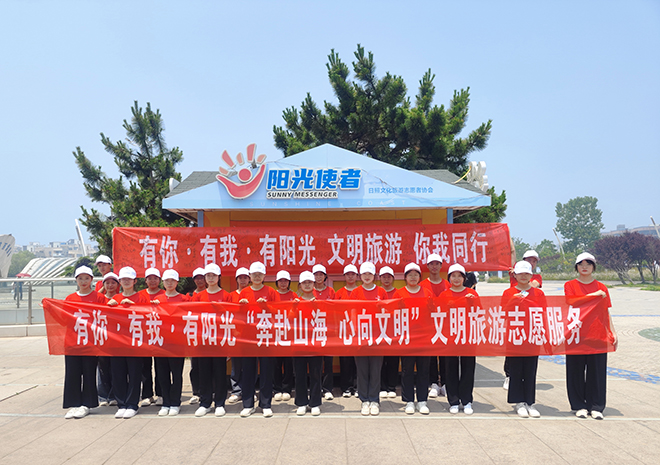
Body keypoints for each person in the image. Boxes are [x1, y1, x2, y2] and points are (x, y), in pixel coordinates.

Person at [564, 252, 618, 420]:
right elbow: (572, 301)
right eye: (581, 264)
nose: (584, 267)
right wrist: (593, 295)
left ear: (594, 267)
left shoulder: (602, 287)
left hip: (597, 334)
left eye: (588, 264)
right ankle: (579, 405)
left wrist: (613, 331)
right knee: (575, 371)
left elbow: (605, 311)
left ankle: (596, 406)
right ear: (576, 267)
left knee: (597, 372)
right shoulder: (570, 285)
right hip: (576, 335)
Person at [501, 261, 546, 418]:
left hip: (532, 336)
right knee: (516, 370)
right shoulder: (508, 292)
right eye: (520, 273)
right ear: (515, 275)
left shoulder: (538, 293)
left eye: (527, 273)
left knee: (530, 370)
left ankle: (530, 402)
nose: (523, 276)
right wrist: (513, 300)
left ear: (531, 275)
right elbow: (503, 313)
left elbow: (543, 313)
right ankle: (518, 402)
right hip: (515, 336)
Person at [62, 266, 107, 419]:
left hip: (90, 343)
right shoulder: (70, 298)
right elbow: (63, 317)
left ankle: (86, 404)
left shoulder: (99, 297)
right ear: (76, 280)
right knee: (72, 374)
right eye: (80, 278)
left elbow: (109, 313)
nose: (83, 281)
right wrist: (49, 307)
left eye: (86, 278)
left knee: (89, 373)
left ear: (91, 280)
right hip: (73, 342)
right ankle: (74, 404)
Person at [237, 261, 279, 417]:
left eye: (259, 274)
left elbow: (278, 311)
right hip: (248, 337)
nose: (256, 277)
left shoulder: (270, 291)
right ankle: (248, 404)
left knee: (266, 371)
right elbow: (237, 315)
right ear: (249, 276)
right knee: (248, 371)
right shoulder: (244, 292)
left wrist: (267, 306)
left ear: (264, 276)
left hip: (265, 335)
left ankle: (266, 404)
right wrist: (241, 306)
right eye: (254, 274)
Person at [108, 266, 149, 419]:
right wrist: (110, 308)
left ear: (134, 281)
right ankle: (121, 404)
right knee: (118, 374)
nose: (126, 282)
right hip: (117, 343)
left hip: (135, 343)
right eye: (123, 279)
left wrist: (134, 306)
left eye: (129, 279)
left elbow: (149, 317)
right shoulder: (115, 298)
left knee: (134, 374)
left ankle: (132, 404)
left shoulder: (142, 298)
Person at [439, 263, 480, 415]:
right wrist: (446, 307)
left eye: (459, 276)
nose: (456, 279)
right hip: (451, 337)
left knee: (468, 368)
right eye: (453, 276)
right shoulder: (444, 295)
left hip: (468, 336)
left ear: (464, 278)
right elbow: (438, 316)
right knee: (451, 368)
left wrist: (472, 303)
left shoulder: (471, 293)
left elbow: (479, 313)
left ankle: (467, 400)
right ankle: (454, 400)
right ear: (449, 278)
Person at [394, 263, 434, 415]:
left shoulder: (427, 292)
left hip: (424, 338)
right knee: (407, 370)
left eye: (416, 275)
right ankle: (409, 401)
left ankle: (422, 400)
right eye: (410, 275)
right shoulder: (399, 293)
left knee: (423, 370)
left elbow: (434, 312)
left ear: (419, 277)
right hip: (407, 338)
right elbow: (393, 314)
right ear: (405, 277)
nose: (413, 277)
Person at [191, 263, 230, 417]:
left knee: (220, 372)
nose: (211, 278)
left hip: (219, 340)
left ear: (219, 277)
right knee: (204, 372)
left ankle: (220, 403)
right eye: (208, 275)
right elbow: (192, 316)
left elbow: (231, 318)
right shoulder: (198, 296)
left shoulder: (226, 295)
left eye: (214, 275)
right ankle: (205, 402)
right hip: (203, 340)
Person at [351, 262, 388, 416]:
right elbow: (352, 312)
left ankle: (374, 399)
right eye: (364, 274)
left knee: (375, 369)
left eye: (370, 274)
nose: (367, 277)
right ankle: (364, 400)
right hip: (361, 336)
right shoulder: (355, 292)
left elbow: (387, 312)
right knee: (362, 369)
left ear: (374, 276)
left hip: (377, 336)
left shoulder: (381, 291)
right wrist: (355, 331)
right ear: (360, 276)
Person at [155, 269, 189, 417]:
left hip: (177, 343)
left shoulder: (184, 299)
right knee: (162, 374)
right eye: (167, 280)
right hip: (160, 342)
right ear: (163, 282)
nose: (169, 283)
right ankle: (165, 402)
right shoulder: (157, 299)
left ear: (177, 282)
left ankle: (175, 402)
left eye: (172, 280)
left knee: (176, 374)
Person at [293, 271, 324, 416]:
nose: (307, 285)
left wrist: (318, 306)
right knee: (300, 374)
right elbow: (288, 320)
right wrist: (293, 308)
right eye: (304, 283)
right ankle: (301, 402)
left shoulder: (320, 301)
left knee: (316, 374)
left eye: (309, 282)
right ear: (300, 285)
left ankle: (315, 402)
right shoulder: (295, 301)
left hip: (315, 343)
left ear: (314, 284)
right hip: (299, 343)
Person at [420, 253, 450, 399]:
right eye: (431, 264)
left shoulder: (447, 284)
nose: (434, 266)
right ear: (427, 266)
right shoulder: (422, 285)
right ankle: (433, 383)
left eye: (437, 264)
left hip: (444, 324)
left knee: (444, 355)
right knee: (431, 355)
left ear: (441, 266)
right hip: (429, 324)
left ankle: (444, 383)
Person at [138, 267, 165, 407]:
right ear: (145, 280)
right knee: (144, 366)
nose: (153, 281)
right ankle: (147, 395)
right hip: (144, 335)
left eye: (155, 278)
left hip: (160, 335)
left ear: (159, 280)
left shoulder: (165, 294)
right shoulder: (139, 295)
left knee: (160, 366)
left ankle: (160, 394)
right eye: (150, 278)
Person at [227, 267, 250, 404]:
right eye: (240, 278)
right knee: (236, 365)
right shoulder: (231, 295)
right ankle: (236, 391)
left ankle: (248, 390)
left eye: (245, 277)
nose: (243, 280)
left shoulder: (253, 293)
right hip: (235, 334)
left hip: (251, 335)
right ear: (236, 279)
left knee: (249, 364)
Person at [312, 264, 336, 401]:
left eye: (321, 274)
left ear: (325, 276)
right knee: (316, 361)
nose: (319, 277)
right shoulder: (308, 290)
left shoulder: (330, 291)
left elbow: (335, 309)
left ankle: (327, 389)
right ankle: (317, 387)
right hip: (313, 330)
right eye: (316, 274)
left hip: (328, 329)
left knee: (328, 360)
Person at [336, 264, 360, 398]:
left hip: (360, 330)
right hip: (344, 329)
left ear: (357, 276)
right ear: (344, 276)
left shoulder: (361, 291)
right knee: (345, 360)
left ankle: (357, 387)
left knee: (358, 360)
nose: (350, 277)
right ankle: (346, 387)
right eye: (348, 274)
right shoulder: (339, 293)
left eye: (353, 274)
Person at [97, 272, 120, 407]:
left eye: (113, 283)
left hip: (117, 339)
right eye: (107, 283)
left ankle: (114, 395)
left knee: (115, 368)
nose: (110, 285)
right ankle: (103, 396)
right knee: (102, 368)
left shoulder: (121, 298)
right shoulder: (99, 299)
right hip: (102, 338)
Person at [273, 270, 295, 402]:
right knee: (276, 363)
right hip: (275, 333)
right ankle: (277, 389)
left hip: (289, 334)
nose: (283, 283)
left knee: (288, 363)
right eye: (280, 281)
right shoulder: (273, 295)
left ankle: (287, 389)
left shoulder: (293, 295)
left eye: (285, 281)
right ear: (277, 282)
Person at [378, 266, 399, 399]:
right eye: (384, 277)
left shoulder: (398, 293)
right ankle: (382, 387)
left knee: (393, 360)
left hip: (394, 331)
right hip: (379, 330)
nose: (386, 279)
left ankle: (392, 387)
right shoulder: (377, 292)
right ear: (380, 278)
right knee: (380, 360)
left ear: (393, 278)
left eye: (389, 277)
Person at [187, 267, 207, 405]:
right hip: (195, 334)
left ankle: (209, 390)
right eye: (197, 278)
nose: (199, 280)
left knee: (209, 364)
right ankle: (196, 392)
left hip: (210, 333)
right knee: (195, 365)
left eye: (202, 278)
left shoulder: (211, 293)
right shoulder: (189, 296)